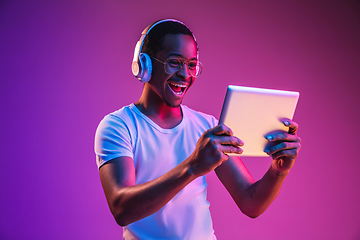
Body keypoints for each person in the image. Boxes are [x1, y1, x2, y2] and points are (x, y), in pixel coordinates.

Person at [94, 19, 301, 240]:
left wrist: (278, 171)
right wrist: (193, 165)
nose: (185, 74)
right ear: (145, 65)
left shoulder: (207, 126)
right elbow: (122, 209)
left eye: (192, 65)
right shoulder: (118, 126)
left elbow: (251, 203)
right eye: (175, 62)